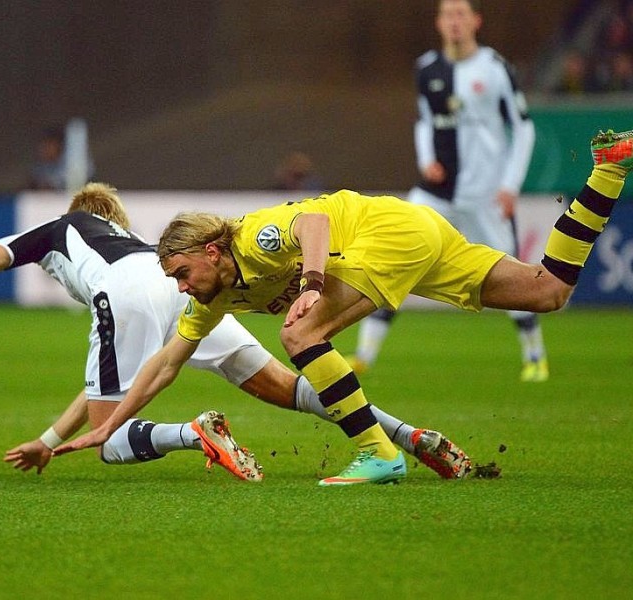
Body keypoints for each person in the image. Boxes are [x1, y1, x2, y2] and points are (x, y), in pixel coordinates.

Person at [52, 129, 633, 487]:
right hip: (420, 232)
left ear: (210, 251)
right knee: (547, 291)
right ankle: (609, 168)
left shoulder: (253, 237)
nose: (179, 287)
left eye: (181, 273)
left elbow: (314, 220)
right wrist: (109, 425)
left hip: (389, 230)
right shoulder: (214, 294)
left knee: (300, 333)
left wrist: (310, 280)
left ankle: (378, 454)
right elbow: (165, 363)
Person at [0, 182, 472, 483]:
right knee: (289, 387)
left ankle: (193, 433)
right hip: (182, 293)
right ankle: (407, 437)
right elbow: (120, 377)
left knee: (113, 441)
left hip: (132, 299)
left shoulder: (57, 227)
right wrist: (51, 440)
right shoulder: (154, 256)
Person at [350, 0, 549, 382]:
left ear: (476, 21)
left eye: (462, 14)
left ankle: (535, 355)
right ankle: (364, 354)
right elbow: (425, 121)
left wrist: (510, 186)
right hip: (435, 192)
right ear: (439, 23)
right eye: (448, 15)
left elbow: (524, 128)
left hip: (485, 194)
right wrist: (427, 160)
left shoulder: (495, 69)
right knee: (393, 256)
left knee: (514, 272)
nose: (455, 22)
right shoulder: (427, 68)